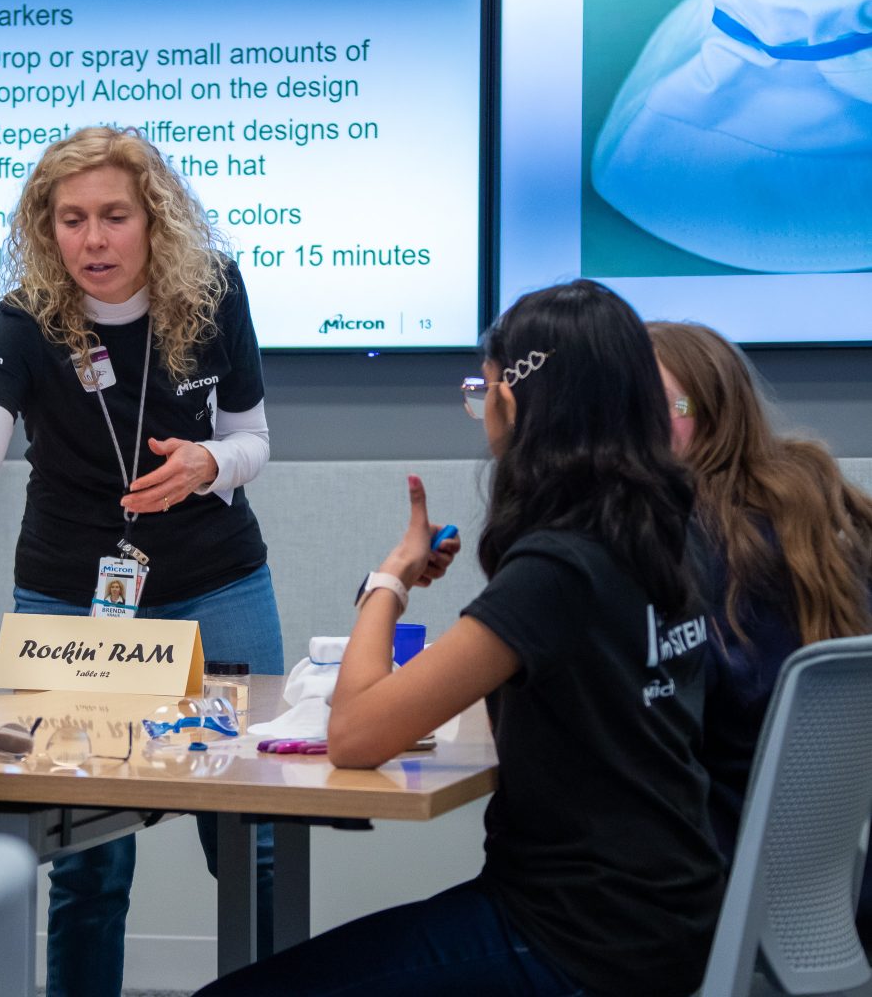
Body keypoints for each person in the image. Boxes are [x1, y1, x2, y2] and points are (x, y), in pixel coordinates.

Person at [199, 280, 725, 997]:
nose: (483, 410)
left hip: (573, 936)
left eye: (486, 389)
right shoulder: (673, 532)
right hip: (671, 915)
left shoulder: (559, 566)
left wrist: (391, 578)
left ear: (519, 402)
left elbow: (354, 734)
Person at [0, 125, 283, 997]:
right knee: (86, 858)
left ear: (152, 220)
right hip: (71, 603)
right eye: (72, 219)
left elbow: (255, 440)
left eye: (115, 216)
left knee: (257, 840)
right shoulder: (23, 322)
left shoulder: (214, 293)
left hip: (218, 584)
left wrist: (210, 465)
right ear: (46, 229)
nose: (93, 240)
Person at [650, 319, 872, 947]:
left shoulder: (696, 550)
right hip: (827, 900)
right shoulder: (819, 526)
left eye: (658, 404)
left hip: (705, 894)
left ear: (712, 413)